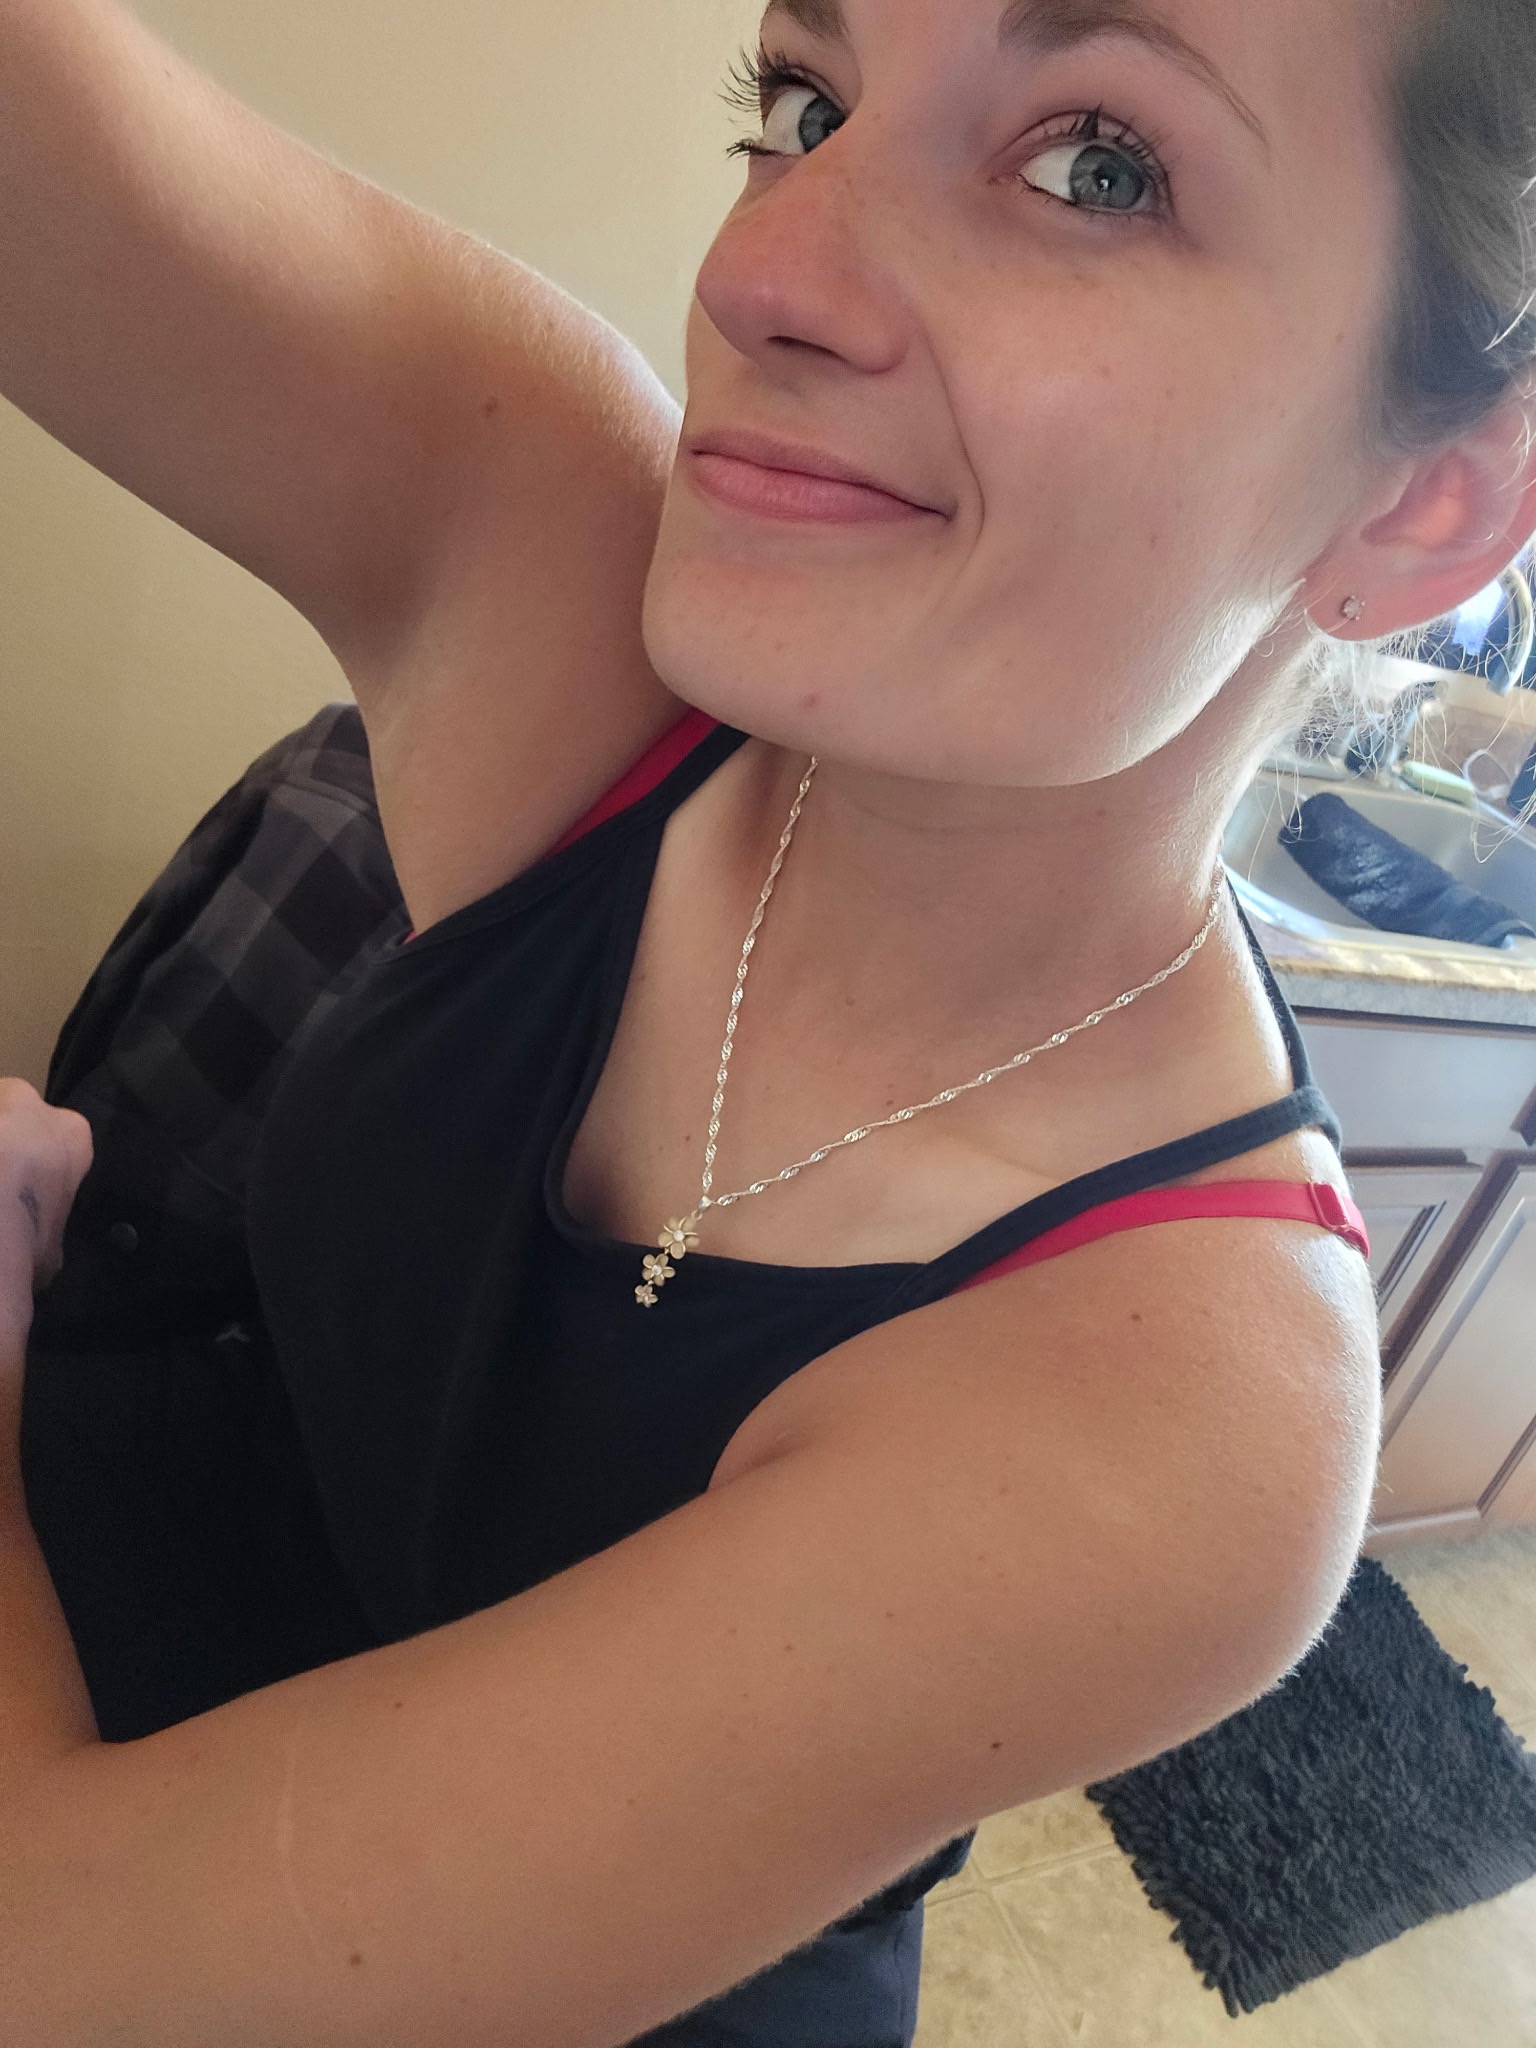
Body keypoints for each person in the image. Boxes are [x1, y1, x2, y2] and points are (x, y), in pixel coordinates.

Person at [1, 0, 1531, 2039]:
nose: (759, 273)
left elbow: (57, 1961)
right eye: (806, 103)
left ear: (1427, 506)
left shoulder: (1193, 1415)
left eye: (1098, 166)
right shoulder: (573, 570)